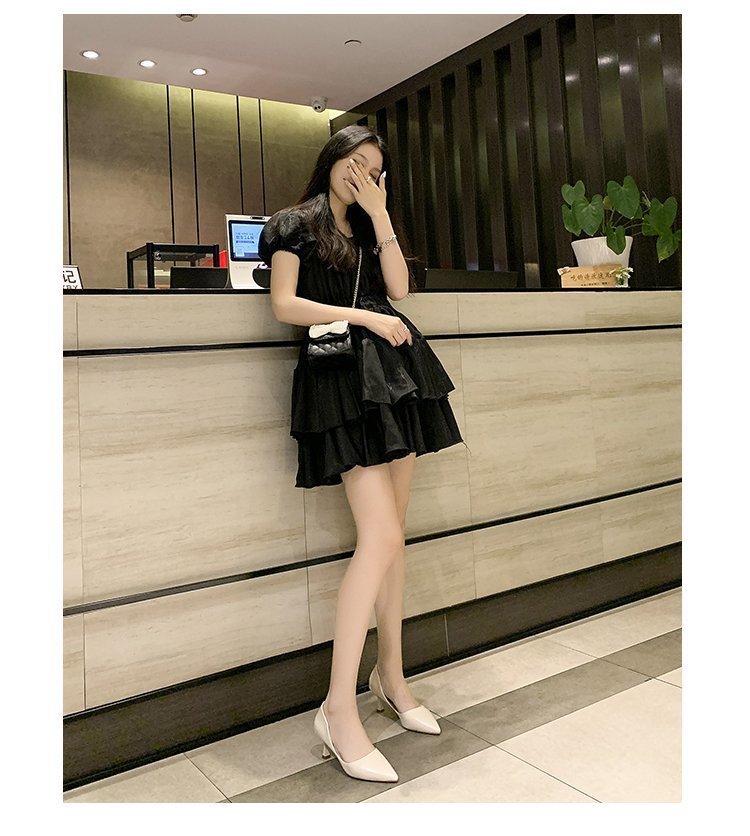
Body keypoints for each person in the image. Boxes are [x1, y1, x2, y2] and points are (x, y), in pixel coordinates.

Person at [259, 125, 469, 783]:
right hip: (340, 382)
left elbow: (399, 289)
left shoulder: (373, 225)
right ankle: (337, 709)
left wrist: (381, 217)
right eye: (355, 162)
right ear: (332, 160)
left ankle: (392, 678)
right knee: (379, 538)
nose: (363, 175)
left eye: (375, 170)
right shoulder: (293, 223)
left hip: (397, 379)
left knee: (394, 538)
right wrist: (364, 318)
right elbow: (284, 304)